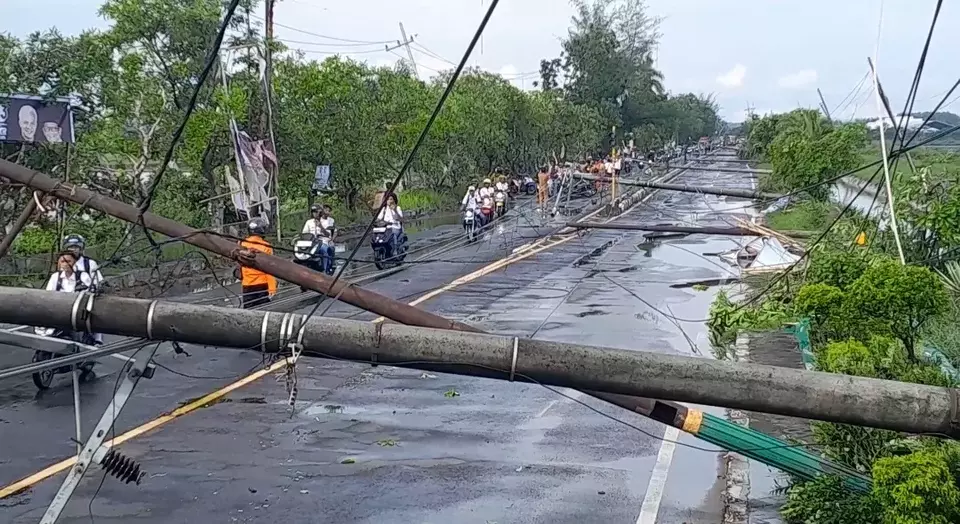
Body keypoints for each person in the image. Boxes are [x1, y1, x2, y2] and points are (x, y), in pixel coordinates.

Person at [62, 234, 104, 345]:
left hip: (84, 300)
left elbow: (98, 281)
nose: (73, 250)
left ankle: (97, 339)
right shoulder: (62, 263)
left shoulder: (89, 264)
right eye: (70, 247)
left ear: (81, 248)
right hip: (64, 301)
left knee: (95, 312)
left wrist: (93, 288)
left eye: (76, 247)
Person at [239, 218, 277, 309]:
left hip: (247, 284)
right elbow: (269, 269)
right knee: (262, 312)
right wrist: (272, 287)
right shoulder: (266, 246)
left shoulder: (242, 244)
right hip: (262, 284)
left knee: (248, 312)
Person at [302, 204, 337, 275]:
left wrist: (320, 226)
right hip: (311, 242)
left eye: (316, 212)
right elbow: (304, 234)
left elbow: (328, 234)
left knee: (324, 251)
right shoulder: (308, 222)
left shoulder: (326, 221)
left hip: (322, 242)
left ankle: (324, 270)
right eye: (313, 212)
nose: (314, 213)